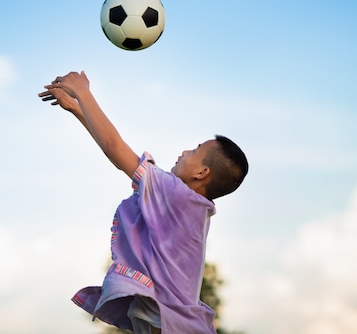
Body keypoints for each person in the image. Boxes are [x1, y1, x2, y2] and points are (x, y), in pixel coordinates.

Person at [38, 71, 248, 334]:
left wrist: (83, 93)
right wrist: (77, 109)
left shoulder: (175, 195)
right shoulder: (187, 204)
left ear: (202, 173)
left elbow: (114, 146)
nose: (184, 151)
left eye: (194, 151)